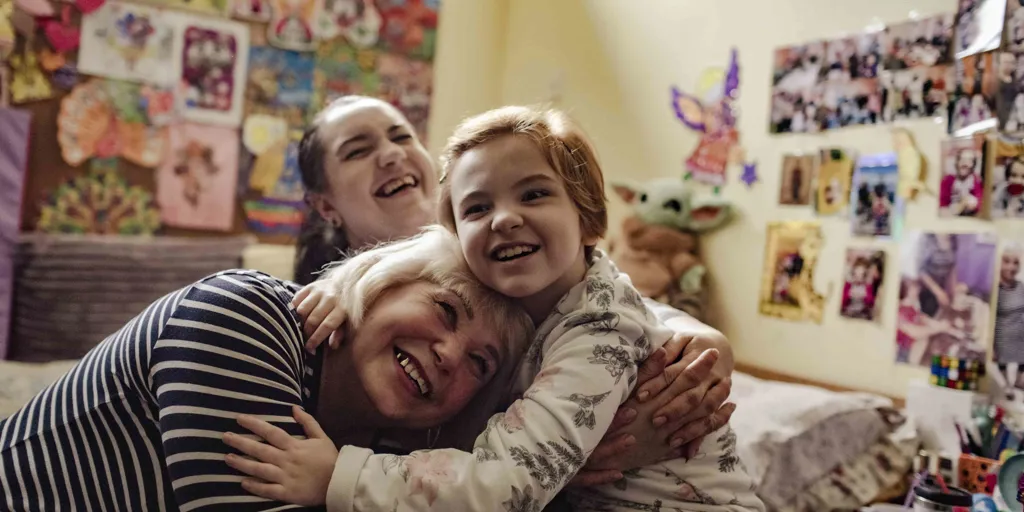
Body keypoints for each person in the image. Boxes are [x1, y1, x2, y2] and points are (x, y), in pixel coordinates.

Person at [239, 106, 763, 511]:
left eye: (401, 135)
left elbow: (511, 479)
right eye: (479, 207)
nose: (504, 219)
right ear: (324, 204)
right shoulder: (300, 307)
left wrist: (701, 338)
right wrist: (341, 285)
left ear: (589, 220)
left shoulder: (576, 310)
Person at [0, 227, 536, 511]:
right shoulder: (248, 316)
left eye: (480, 363)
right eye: (444, 310)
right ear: (381, 284)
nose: (449, 355)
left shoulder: (391, 456)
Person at [995, 248, 1024, 363]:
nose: (1011, 267)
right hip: (1001, 348)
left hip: (1021, 346)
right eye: (1006, 261)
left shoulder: (1021, 286)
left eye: (1015, 263)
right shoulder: (994, 290)